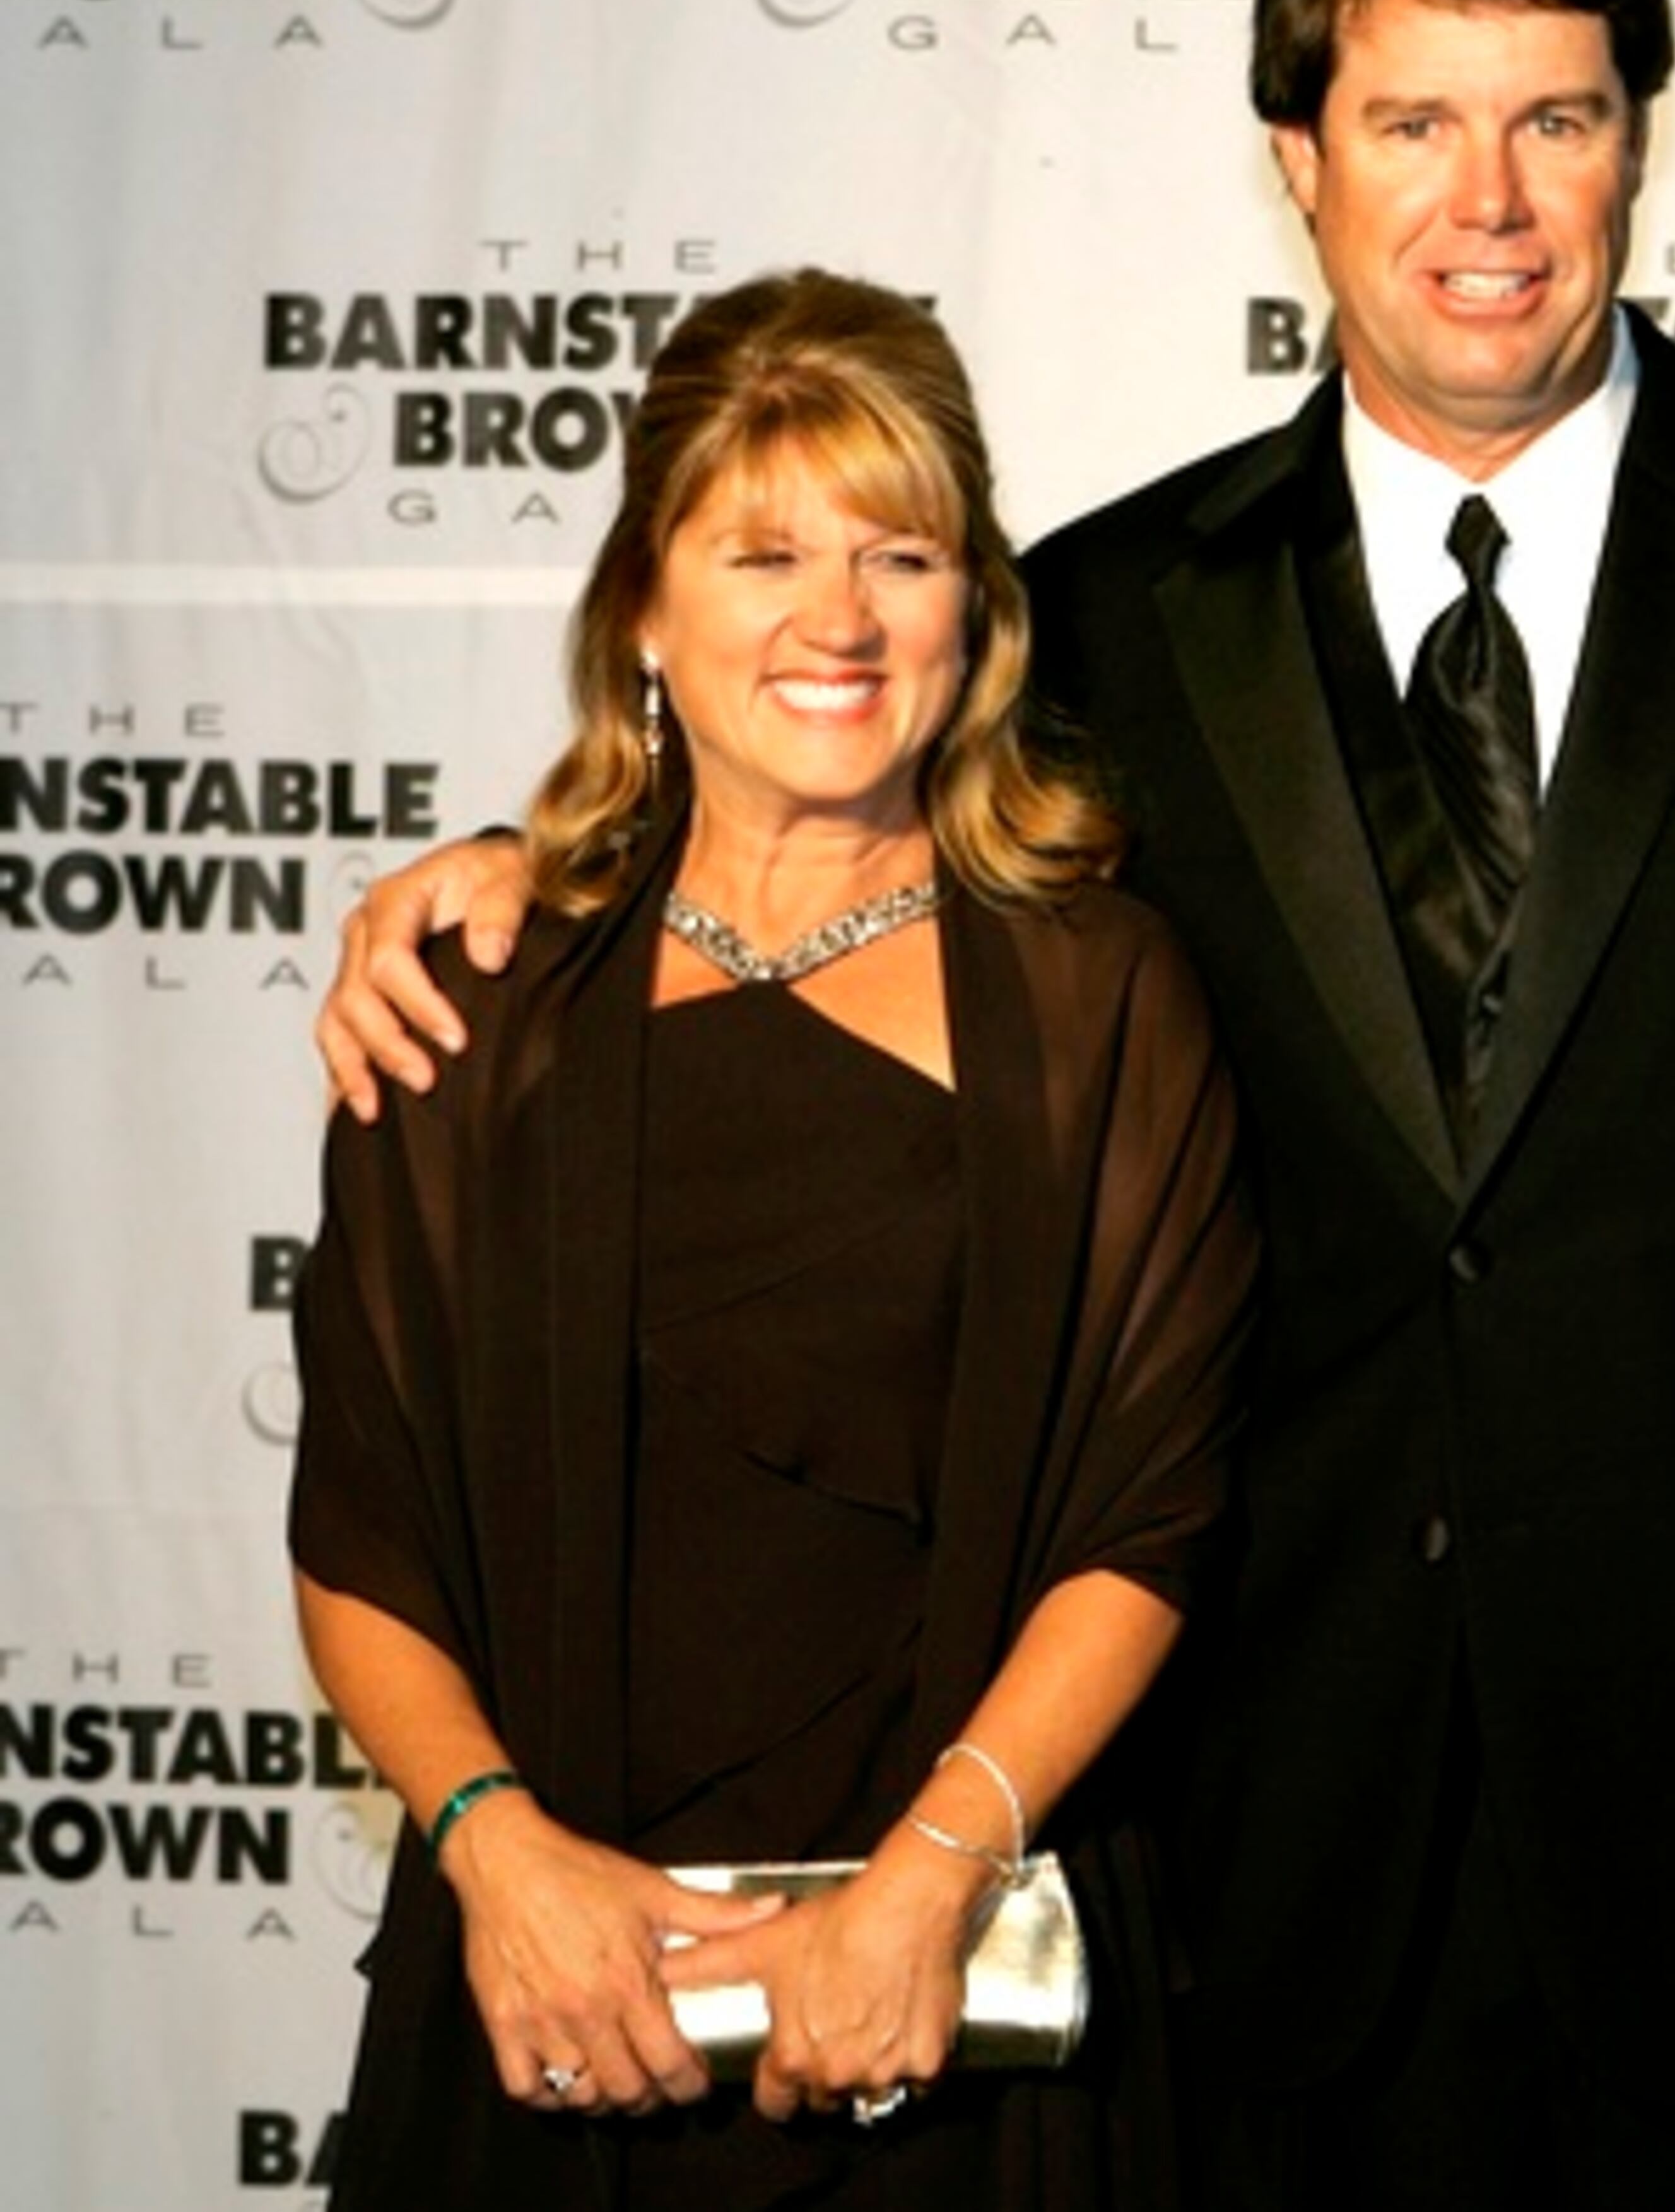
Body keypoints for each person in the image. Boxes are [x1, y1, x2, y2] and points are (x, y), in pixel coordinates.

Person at [314, 0, 1675, 2209]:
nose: (1491, 198)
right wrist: (517, 876)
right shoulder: (1108, 616)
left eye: (1560, 117)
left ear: (1643, 139)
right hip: (1266, 1889)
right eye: (1414, 123)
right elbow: (821, 793)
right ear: (1300, 161)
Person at [289, 267, 1255, 2212]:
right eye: (763, 553)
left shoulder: (1099, 996)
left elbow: (1153, 1511)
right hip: (550, 2005)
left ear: (971, 607)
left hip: (952, 2018)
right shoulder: (475, 1001)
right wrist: (496, 1847)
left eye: (900, 552)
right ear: (644, 602)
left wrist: (927, 1885)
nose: (837, 619)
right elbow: (361, 1525)